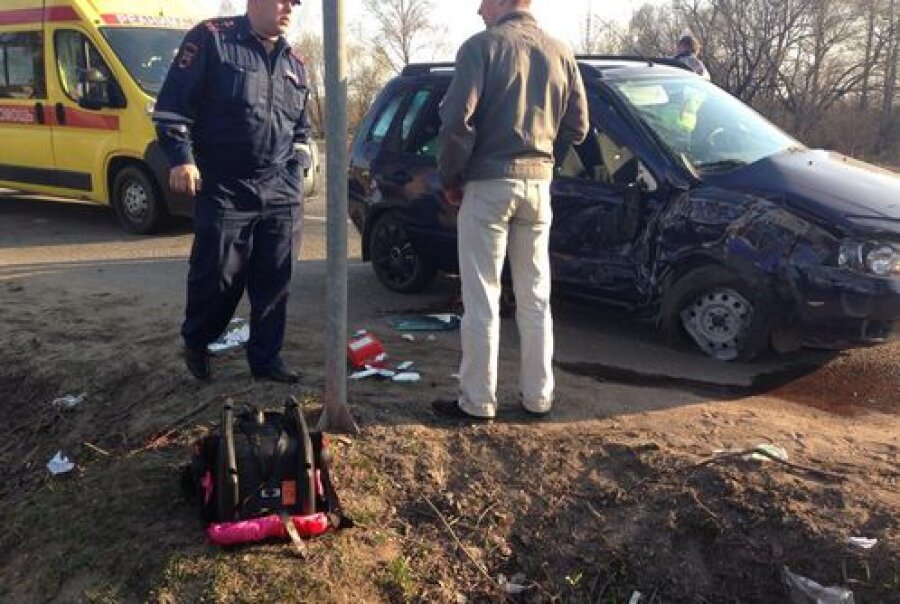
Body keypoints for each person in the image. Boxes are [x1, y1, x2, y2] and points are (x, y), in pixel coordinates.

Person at [433, 0, 589, 420]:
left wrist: (451, 178)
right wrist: (545, 157)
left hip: (487, 183)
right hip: (538, 184)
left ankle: (478, 401)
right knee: (535, 296)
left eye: (483, 2)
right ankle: (539, 397)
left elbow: (455, 122)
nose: (479, 10)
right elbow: (579, 126)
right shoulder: (561, 51)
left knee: (482, 295)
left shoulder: (481, 48)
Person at [153, 0, 310, 383]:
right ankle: (198, 341)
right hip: (225, 184)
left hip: (280, 187)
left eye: (295, 2)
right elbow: (172, 109)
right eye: (283, 0)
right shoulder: (212, 39)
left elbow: (302, 132)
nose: (289, 8)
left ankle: (266, 360)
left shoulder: (297, 63)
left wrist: (297, 170)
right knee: (219, 276)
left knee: (275, 278)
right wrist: (181, 158)